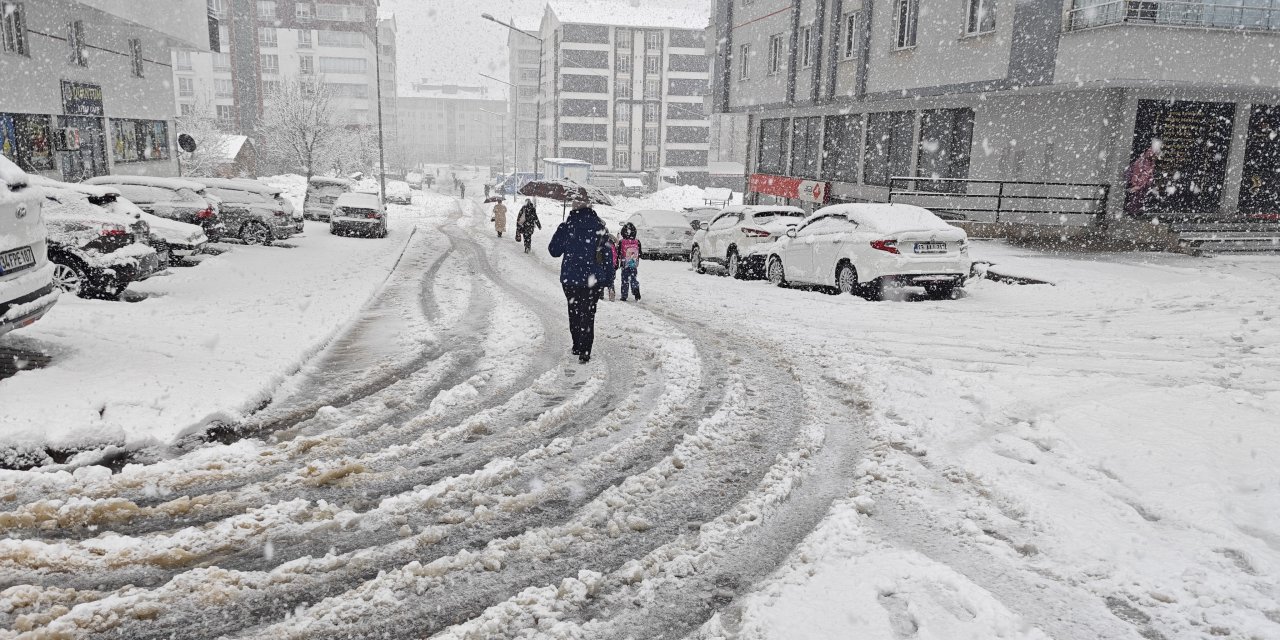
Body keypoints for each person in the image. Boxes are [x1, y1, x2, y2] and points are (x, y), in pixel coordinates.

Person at [548, 199, 611, 364]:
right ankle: (585, 350)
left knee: (574, 311)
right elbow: (607, 256)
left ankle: (577, 345)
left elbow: (554, 251)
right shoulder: (600, 228)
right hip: (593, 280)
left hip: (571, 279)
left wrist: (561, 232)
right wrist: (609, 279)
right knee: (588, 314)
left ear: (574, 208)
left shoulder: (567, 227)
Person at [1125, 142, 1161, 217]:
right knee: (1136, 198)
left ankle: (1137, 211)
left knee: (1140, 198)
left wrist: (1149, 181)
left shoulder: (1150, 162)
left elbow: (1149, 174)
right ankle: (1133, 211)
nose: (1154, 156)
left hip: (1143, 184)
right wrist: (1135, 183)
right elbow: (1136, 173)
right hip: (1139, 183)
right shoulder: (1142, 161)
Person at [618, 222, 642, 302]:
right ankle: (635, 288)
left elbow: (618, 253)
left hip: (625, 263)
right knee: (633, 278)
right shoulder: (637, 242)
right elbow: (640, 253)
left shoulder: (622, 242)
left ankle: (624, 296)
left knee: (625, 279)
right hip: (633, 263)